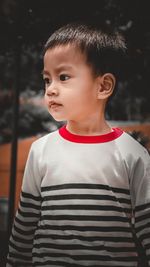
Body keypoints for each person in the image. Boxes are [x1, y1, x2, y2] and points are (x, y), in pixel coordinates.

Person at [6, 23, 150, 267]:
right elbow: (25, 224)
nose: (51, 89)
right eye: (46, 79)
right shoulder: (41, 150)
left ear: (103, 86)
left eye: (63, 77)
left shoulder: (132, 154)